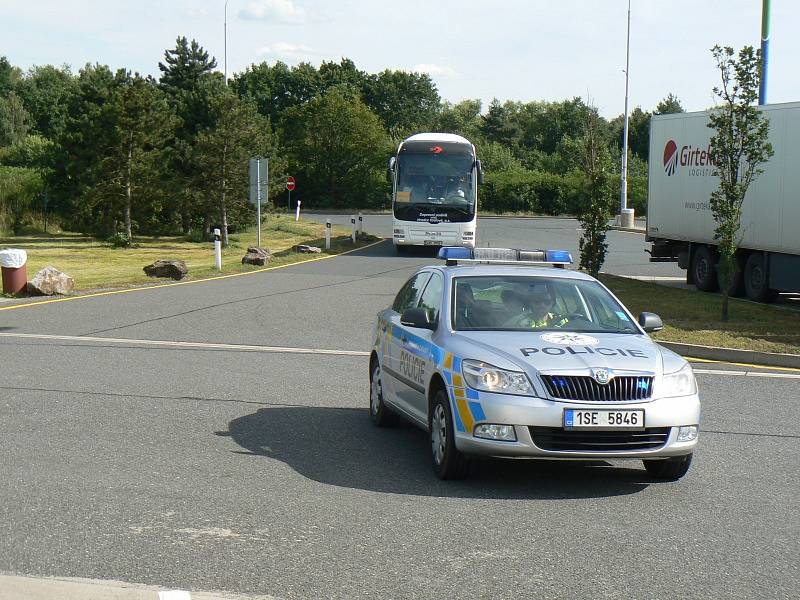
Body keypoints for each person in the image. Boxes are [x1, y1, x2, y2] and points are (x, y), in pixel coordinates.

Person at [502, 284, 568, 329]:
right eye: (537, 302)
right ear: (530, 303)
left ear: (553, 303)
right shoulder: (517, 321)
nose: (542, 305)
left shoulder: (561, 320)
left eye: (547, 302)